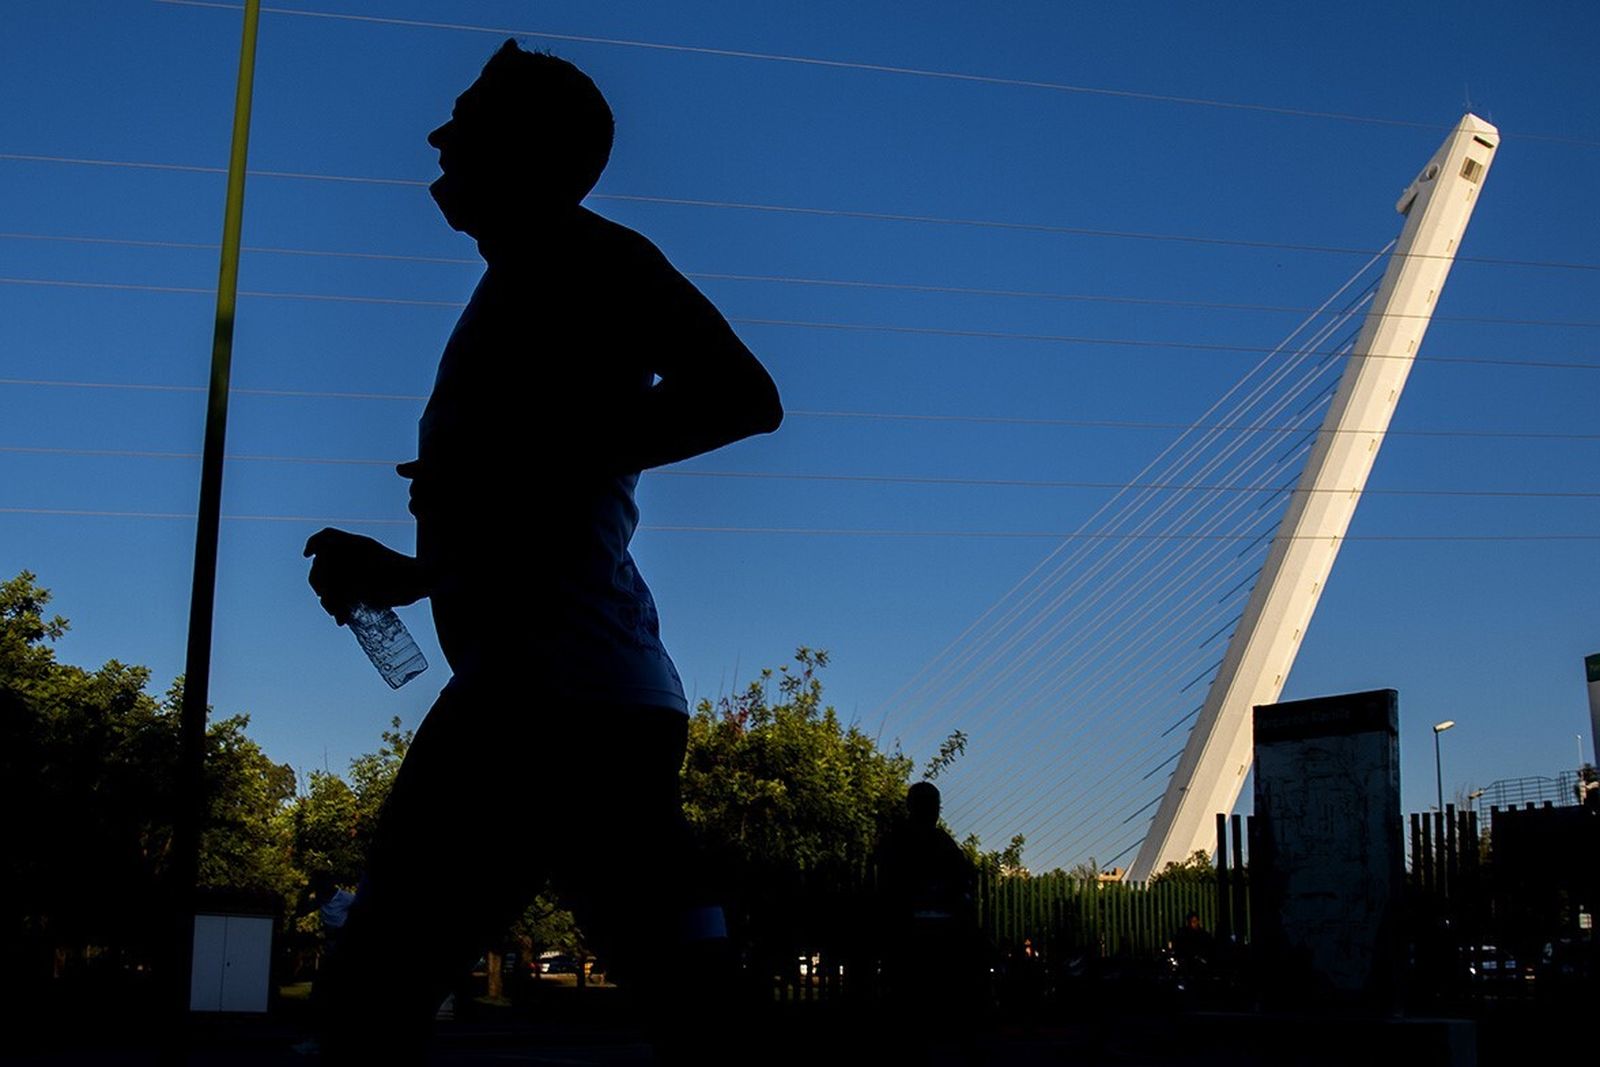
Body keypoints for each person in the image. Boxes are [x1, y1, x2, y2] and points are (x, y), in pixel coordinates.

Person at [302, 40, 782, 1063]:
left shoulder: (590, 258)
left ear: (528, 151)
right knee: (687, 995)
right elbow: (532, 512)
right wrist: (410, 570)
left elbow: (744, 396)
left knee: (375, 982)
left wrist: (521, 463)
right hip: (587, 693)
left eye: (466, 117)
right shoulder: (522, 283)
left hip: (547, 692)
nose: (439, 136)